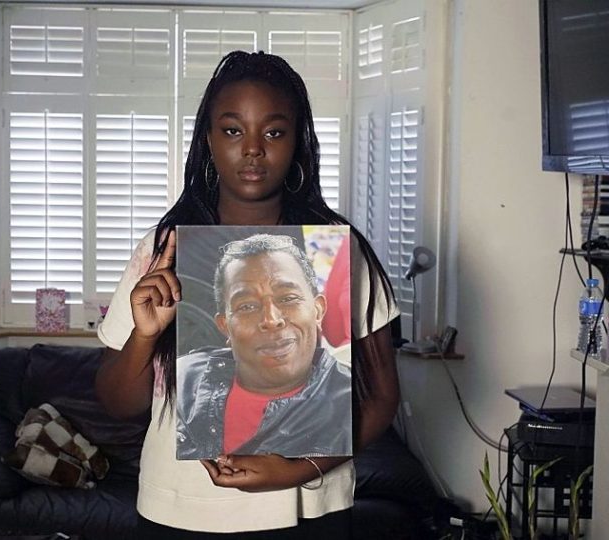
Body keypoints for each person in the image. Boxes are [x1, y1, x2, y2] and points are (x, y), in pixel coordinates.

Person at [95, 50, 399, 538]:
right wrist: (145, 337)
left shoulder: (335, 248)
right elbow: (117, 404)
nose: (253, 149)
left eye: (274, 132)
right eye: (233, 130)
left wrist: (297, 469)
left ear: (297, 141)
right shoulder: (162, 248)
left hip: (308, 511)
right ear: (209, 141)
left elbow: (382, 396)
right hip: (179, 510)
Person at [176, 233, 353, 460]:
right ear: (224, 326)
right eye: (247, 306)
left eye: (288, 298)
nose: (271, 319)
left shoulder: (353, 403)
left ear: (318, 310)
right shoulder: (183, 379)